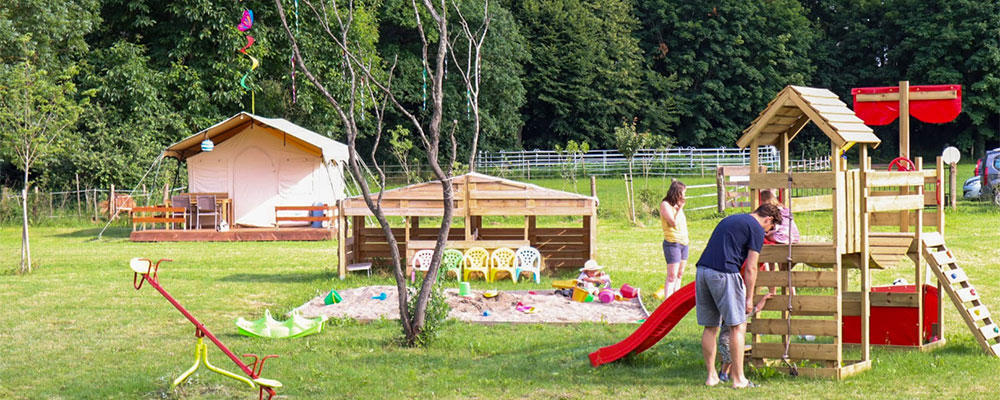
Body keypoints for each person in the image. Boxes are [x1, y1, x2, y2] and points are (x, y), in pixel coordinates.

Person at [695, 203, 782, 389]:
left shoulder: (732, 218)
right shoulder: (756, 229)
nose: (768, 232)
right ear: (768, 219)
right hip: (724, 273)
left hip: (702, 271)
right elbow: (751, 268)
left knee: (710, 327)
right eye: (771, 228)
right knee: (738, 326)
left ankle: (711, 377)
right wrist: (749, 298)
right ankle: (739, 379)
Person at [759, 189, 800, 295]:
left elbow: (776, 226)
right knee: (785, 269)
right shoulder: (784, 209)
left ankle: (772, 292)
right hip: (793, 237)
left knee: (767, 243)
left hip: (782, 237)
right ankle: (792, 294)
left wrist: (768, 234)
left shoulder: (773, 211)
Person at [660, 180, 688, 299]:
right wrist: (680, 209)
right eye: (683, 193)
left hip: (684, 242)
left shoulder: (676, 206)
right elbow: (672, 222)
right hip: (673, 243)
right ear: (677, 193)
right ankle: (668, 300)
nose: (684, 196)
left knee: (680, 274)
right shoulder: (665, 205)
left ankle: (676, 299)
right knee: (672, 275)